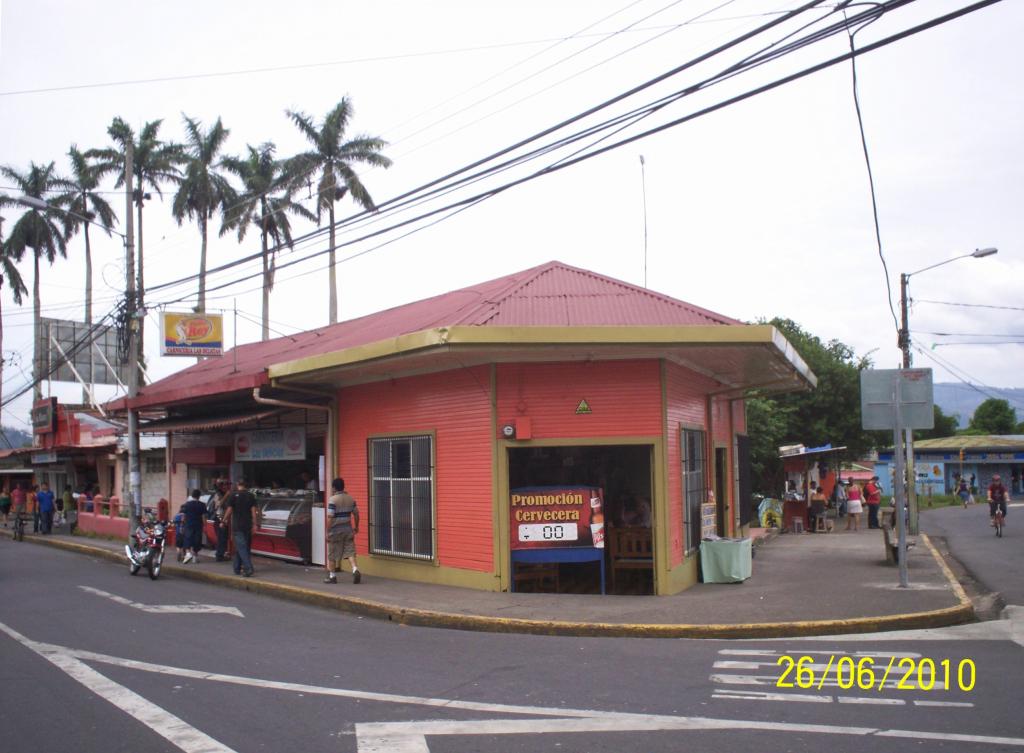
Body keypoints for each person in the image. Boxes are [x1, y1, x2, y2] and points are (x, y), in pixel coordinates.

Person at [324, 477, 361, 584]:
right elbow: (356, 514)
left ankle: (332, 576)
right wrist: (357, 527)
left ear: (334, 487)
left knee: (332, 554)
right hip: (348, 529)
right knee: (350, 551)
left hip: (335, 531)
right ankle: (355, 569)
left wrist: (327, 531)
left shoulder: (333, 500)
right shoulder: (351, 499)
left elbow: (330, 517)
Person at [223, 479, 258, 577]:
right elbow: (254, 512)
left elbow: (229, 510)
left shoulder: (233, 495)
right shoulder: (251, 496)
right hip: (247, 525)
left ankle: (248, 568)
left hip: (237, 525)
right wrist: (255, 524)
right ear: (246, 486)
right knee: (243, 546)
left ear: (238, 485)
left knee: (241, 547)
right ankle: (237, 567)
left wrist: (223, 520)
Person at [182, 489, 207, 563]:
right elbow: (203, 516)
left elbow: (183, 516)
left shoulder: (187, 504)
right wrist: (205, 525)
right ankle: (195, 557)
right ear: (199, 496)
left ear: (192, 496)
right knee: (197, 540)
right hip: (198, 525)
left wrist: (183, 523)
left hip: (189, 524)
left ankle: (188, 553)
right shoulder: (202, 505)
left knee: (188, 538)